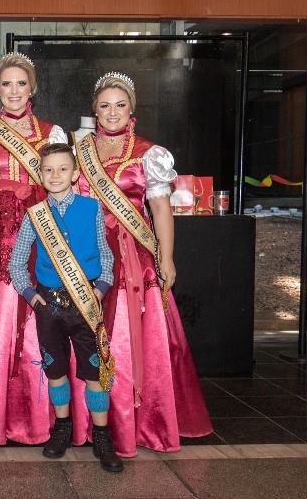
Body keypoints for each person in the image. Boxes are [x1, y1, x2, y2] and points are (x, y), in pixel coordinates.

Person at [74, 72, 213, 457]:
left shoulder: (150, 153)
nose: (112, 112)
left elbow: (160, 210)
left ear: (132, 109)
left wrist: (166, 257)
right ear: (95, 110)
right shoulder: (79, 150)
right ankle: (91, 424)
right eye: (105, 105)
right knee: (86, 337)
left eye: (120, 105)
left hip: (132, 257)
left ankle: (136, 421)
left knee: (131, 336)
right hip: (85, 254)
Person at [0, 52, 68, 446]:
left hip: (40, 235)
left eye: (21, 83)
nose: (13, 91)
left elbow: (65, 189)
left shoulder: (53, 132)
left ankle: (39, 413)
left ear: (33, 88)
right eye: (6, 84)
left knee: (39, 319)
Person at [8, 143, 122, 471]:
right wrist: (31, 295)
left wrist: (100, 289)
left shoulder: (92, 208)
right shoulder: (35, 215)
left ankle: (101, 435)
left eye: (62, 169)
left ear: (75, 174)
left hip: (86, 304)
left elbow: (105, 255)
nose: (55, 175)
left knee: (95, 373)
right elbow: (17, 262)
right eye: (48, 170)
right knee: (55, 370)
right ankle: (62, 428)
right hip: (50, 308)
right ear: (40, 175)